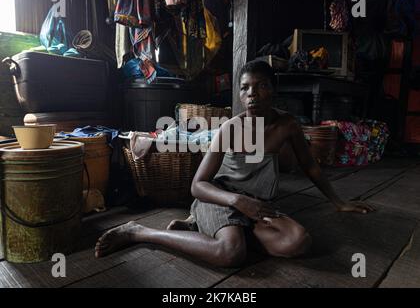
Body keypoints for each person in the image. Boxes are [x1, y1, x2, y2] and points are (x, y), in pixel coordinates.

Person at [95, 60, 374, 268]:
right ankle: (141, 232)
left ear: (274, 91)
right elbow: (198, 185)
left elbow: (311, 166)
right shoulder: (230, 128)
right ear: (240, 96)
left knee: (299, 241)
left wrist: (339, 202)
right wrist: (237, 202)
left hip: (256, 203)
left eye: (261, 86)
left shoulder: (287, 125)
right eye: (245, 88)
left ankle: (203, 230)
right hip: (220, 197)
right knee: (231, 254)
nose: (252, 94)